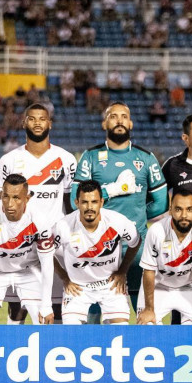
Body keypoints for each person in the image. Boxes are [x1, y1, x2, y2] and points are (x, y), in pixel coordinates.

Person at [73, 101, 169, 312]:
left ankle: (145, 346)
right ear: (104, 123)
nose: (119, 120)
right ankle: (95, 345)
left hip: (137, 246)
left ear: (131, 123)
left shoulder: (146, 158)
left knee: (143, 307)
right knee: (95, 308)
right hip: (98, 244)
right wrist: (113, 190)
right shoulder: (90, 157)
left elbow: (162, 203)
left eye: (124, 116)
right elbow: (75, 200)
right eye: (113, 116)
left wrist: (137, 217)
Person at [0, 103, 76, 324]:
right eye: (32, 118)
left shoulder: (66, 159)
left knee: (55, 306)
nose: (37, 123)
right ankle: (16, 350)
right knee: (17, 308)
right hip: (20, 241)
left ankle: (53, 353)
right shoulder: (9, 160)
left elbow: (70, 202)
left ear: (50, 123)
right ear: (24, 123)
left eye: (42, 119)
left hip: (55, 241)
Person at [53, 180, 141, 325]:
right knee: (71, 334)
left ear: (101, 202)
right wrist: (64, 277)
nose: (89, 207)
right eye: (84, 202)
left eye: (94, 202)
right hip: (78, 288)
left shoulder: (117, 221)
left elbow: (136, 241)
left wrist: (122, 271)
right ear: (77, 202)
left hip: (110, 285)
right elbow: (45, 251)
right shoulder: (63, 226)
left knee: (120, 331)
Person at [0, 174, 55, 325]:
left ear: (27, 199)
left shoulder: (40, 219)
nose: (10, 203)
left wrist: (47, 305)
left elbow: (47, 264)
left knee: (44, 321)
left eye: (16, 198)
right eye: (6, 196)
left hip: (28, 271)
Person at [136, 190, 192, 325]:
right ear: (170, 210)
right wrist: (149, 309)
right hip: (158, 286)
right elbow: (149, 271)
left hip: (190, 285)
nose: (184, 215)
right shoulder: (156, 231)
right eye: (178, 209)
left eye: (189, 209)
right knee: (146, 328)